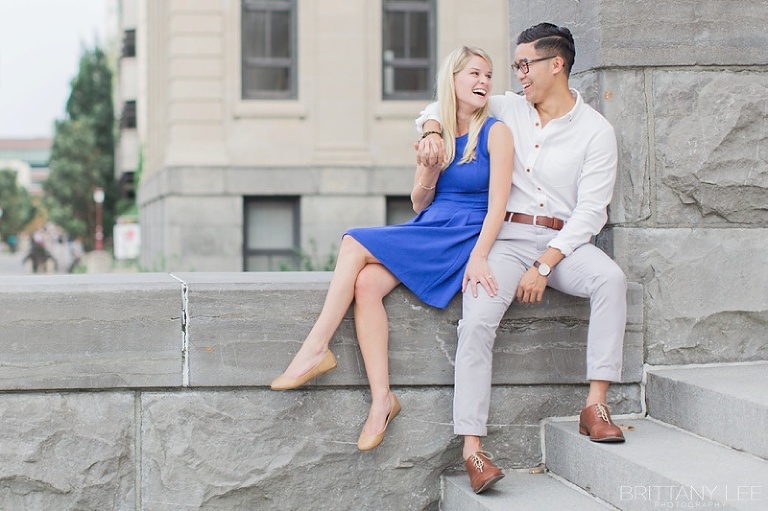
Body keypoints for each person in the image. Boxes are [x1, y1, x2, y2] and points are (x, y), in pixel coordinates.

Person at [416, 22, 627, 494]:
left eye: (525, 64)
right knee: (476, 320)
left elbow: (591, 212)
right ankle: (473, 449)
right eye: (516, 66)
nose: (519, 75)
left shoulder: (596, 131)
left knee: (610, 280)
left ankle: (595, 405)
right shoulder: (508, 107)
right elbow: (443, 103)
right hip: (507, 240)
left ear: (557, 65)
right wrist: (431, 129)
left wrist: (546, 264)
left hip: (565, 245)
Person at [271, 46, 514, 453]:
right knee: (366, 284)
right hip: (431, 225)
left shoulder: (496, 132)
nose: (483, 82)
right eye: (474, 73)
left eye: (488, 75)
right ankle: (382, 400)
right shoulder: (436, 134)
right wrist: (429, 170)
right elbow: (420, 203)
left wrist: (479, 255)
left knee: (353, 240)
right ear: (453, 79)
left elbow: (499, 207)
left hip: (463, 234)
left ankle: (315, 348)